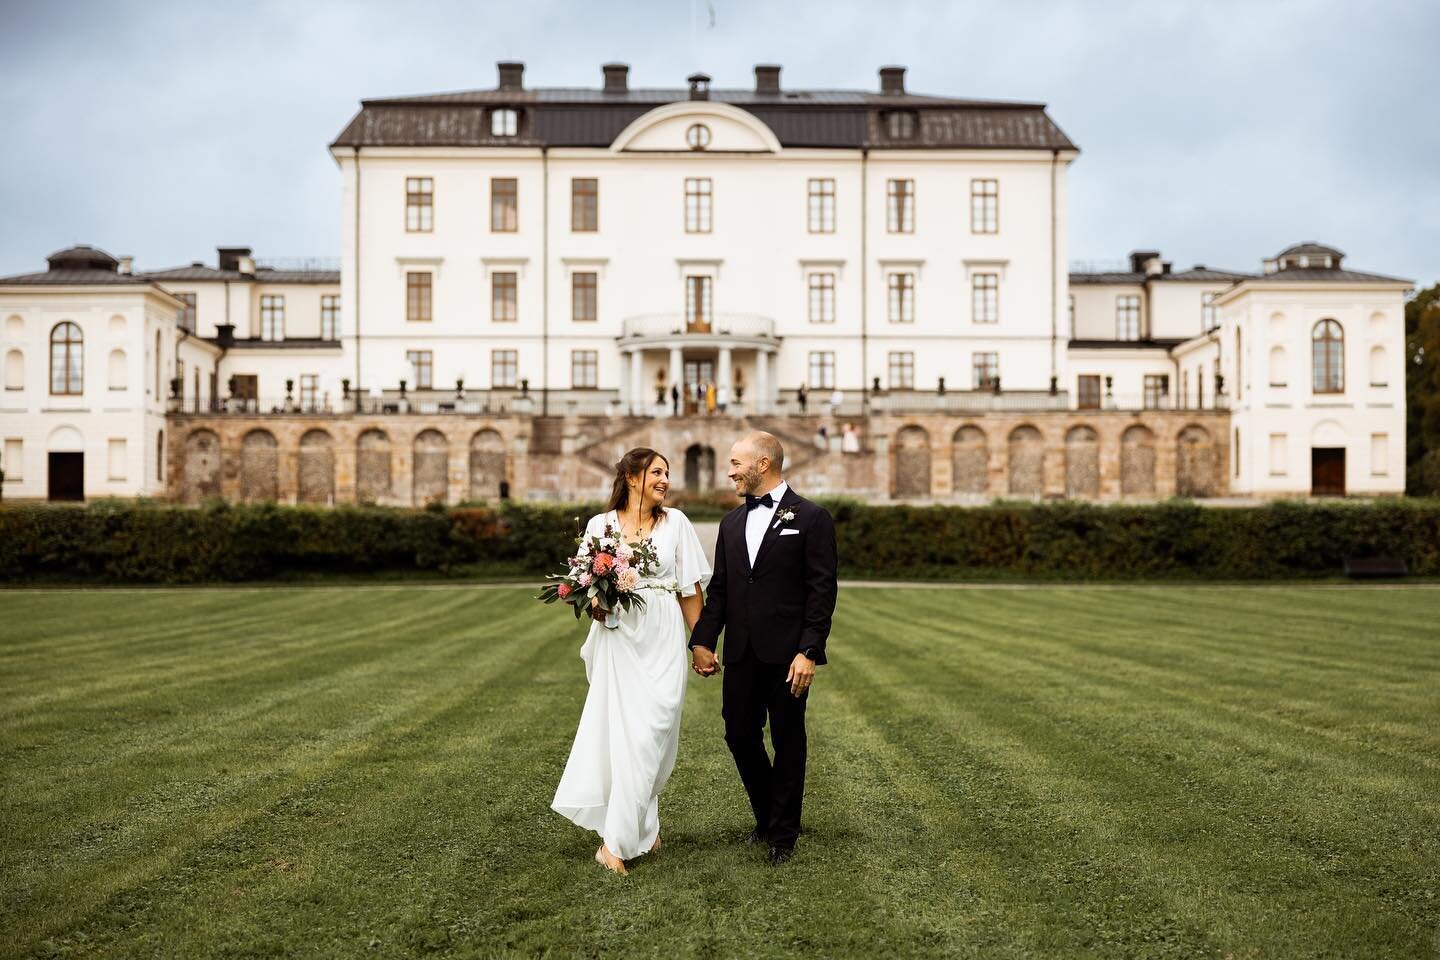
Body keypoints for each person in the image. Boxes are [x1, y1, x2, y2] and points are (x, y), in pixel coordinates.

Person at [552, 448, 712, 875]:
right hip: (620, 637)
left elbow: (690, 589)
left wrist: (701, 643)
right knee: (630, 736)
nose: (665, 480)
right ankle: (616, 844)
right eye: (657, 472)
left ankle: (645, 824)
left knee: (658, 730)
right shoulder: (599, 526)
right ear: (632, 477)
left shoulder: (676, 522)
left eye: (667, 473)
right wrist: (597, 604)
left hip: (662, 632)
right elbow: (585, 584)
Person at [690, 432, 838, 866]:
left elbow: (821, 591)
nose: (730, 470)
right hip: (741, 654)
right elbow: (720, 591)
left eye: (736, 463)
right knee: (738, 735)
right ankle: (770, 814)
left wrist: (809, 650)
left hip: (789, 655)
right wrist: (701, 640)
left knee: (789, 740)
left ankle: (782, 835)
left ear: (764, 464)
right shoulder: (731, 523)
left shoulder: (812, 518)